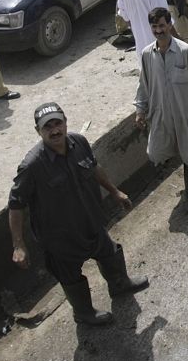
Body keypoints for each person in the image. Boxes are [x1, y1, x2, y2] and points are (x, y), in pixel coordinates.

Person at [9, 102, 148, 326]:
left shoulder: (78, 142)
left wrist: (115, 191)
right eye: (48, 127)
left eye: (58, 123)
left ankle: (120, 284)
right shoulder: (32, 166)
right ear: (38, 131)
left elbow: (94, 168)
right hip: (59, 236)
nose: (55, 130)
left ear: (65, 123)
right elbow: (15, 204)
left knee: (109, 253)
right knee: (70, 275)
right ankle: (83, 313)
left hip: (90, 221)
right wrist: (18, 244)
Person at [135, 7, 188, 213]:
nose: (159, 30)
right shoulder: (147, 55)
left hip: (186, 114)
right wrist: (140, 110)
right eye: (154, 27)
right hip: (161, 114)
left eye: (162, 25)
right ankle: (187, 182)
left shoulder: (185, 51)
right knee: (156, 151)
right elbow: (143, 85)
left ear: (170, 25)